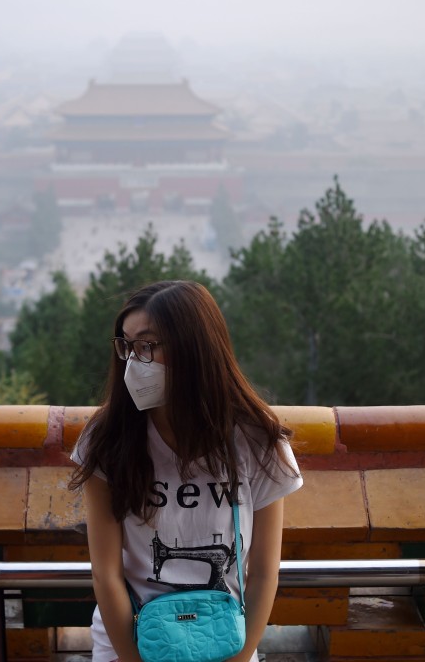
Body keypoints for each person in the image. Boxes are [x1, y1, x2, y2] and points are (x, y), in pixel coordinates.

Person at [70, 280, 303, 662]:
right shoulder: (107, 438)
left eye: (148, 345)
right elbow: (106, 575)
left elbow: (263, 572)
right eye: (127, 346)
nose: (133, 360)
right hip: (131, 640)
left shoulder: (256, 439)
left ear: (194, 348)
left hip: (225, 639)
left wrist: (239, 658)